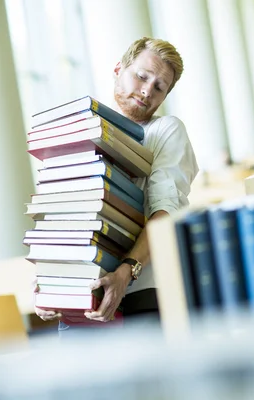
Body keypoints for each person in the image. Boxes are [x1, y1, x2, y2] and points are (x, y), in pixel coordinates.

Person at [34, 37, 199, 330]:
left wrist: (127, 271)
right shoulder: (86, 129)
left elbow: (164, 212)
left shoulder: (166, 130)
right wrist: (50, 281)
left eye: (159, 87)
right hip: (84, 302)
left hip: (142, 299)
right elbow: (67, 218)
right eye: (142, 76)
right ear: (118, 69)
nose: (148, 90)